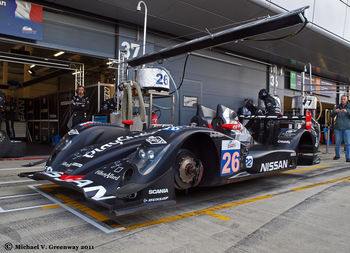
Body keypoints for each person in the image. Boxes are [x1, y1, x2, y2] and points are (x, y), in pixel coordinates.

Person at [331, 95, 350, 162]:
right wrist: (334, 112)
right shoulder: (338, 106)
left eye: (344, 99)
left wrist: (347, 112)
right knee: (337, 143)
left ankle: (348, 157)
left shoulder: (349, 107)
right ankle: (337, 155)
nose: (342, 100)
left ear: (347, 100)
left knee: (347, 143)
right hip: (338, 128)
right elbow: (331, 115)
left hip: (347, 128)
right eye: (341, 99)